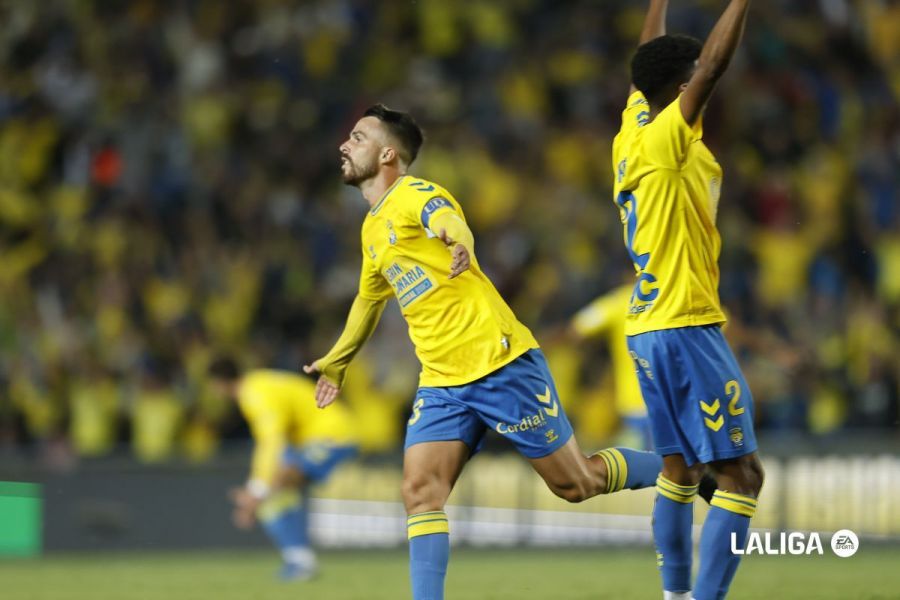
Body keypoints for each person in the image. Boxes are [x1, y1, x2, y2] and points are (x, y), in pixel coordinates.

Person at [303, 104, 664, 600]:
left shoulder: (413, 193)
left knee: (576, 484)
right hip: (441, 379)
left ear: (388, 153)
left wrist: (460, 241)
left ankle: (682, 469)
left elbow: (447, 217)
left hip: (497, 362)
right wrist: (338, 361)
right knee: (420, 492)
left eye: (357, 136)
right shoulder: (372, 228)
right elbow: (368, 301)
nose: (345, 144)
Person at [613, 1, 764, 599]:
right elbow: (712, 68)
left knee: (679, 471)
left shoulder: (634, 126)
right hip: (686, 324)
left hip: (649, 328)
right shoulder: (670, 137)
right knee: (741, 477)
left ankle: (676, 596)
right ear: (681, 88)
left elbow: (646, 57)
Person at [209, 358, 358, 581]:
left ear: (218, 384)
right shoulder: (260, 380)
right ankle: (299, 561)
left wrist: (257, 490)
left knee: (275, 488)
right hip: (321, 435)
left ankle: (300, 561)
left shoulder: (254, 394)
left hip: (332, 436)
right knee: (276, 493)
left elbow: (271, 442)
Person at [571, 284, 652, 450]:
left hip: (634, 400)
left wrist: (598, 349)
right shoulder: (673, 292)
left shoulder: (620, 300)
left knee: (647, 463)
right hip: (675, 398)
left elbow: (578, 327)